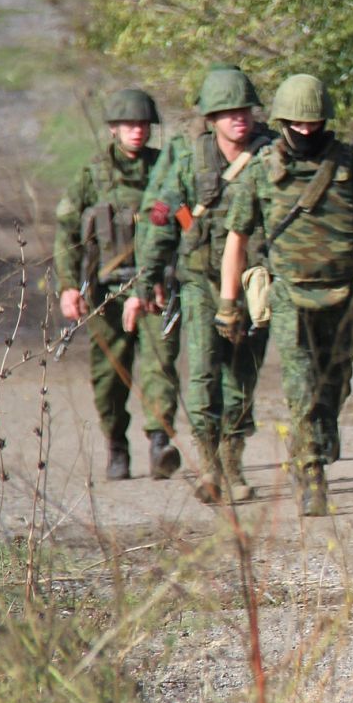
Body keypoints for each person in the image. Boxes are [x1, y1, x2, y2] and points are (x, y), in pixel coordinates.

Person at [216, 75, 353, 516]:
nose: (306, 131)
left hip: (342, 295)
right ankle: (311, 472)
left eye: (314, 122)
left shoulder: (348, 167)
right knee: (301, 387)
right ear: (282, 122)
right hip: (289, 295)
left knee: (335, 385)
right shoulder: (262, 170)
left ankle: (322, 436)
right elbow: (237, 238)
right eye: (296, 124)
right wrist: (229, 304)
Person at [127, 67, 275, 503]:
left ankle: (234, 459)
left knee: (243, 377)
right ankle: (208, 463)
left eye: (244, 110)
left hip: (255, 283)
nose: (238, 120)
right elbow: (160, 218)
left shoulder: (271, 155)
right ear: (211, 118)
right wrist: (147, 278)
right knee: (204, 374)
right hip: (199, 279)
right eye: (227, 112)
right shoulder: (190, 159)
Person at [53, 87, 180, 480]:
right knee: (109, 377)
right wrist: (69, 286)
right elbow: (68, 232)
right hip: (107, 293)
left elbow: (187, 224)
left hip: (156, 289)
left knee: (160, 368)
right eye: (128, 124)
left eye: (143, 124)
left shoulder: (166, 170)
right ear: (113, 129)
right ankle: (116, 444)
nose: (136, 131)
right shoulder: (93, 176)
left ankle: (160, 442)